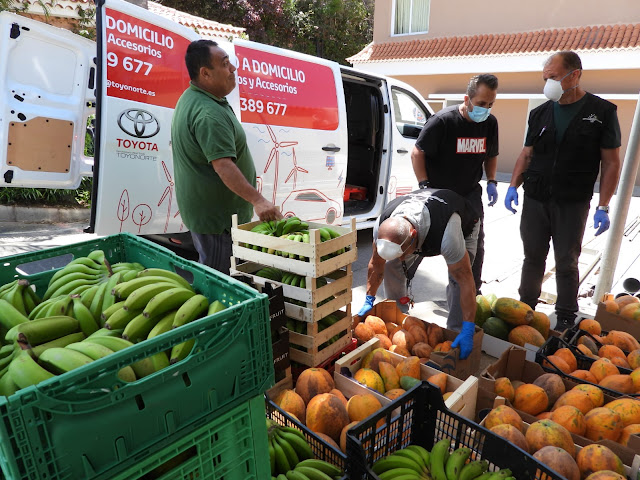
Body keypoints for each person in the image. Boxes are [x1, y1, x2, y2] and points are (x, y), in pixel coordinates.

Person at [504, 51, 621, 331]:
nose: (548, 83)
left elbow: (611, 162)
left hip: (572, 202)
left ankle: (566, 317)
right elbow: (527, 153)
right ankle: (525, 311)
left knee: (567, 261)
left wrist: (603, 206)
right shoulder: (540, 113)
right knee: (532, 257)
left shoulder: (602, 112)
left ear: (575, 74)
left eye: (554, 77)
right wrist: (512, 186)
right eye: (546, 78)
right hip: (536, 198)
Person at [171, 39, 281, 274]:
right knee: (218, 281)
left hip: (207, 213)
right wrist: (258, 200)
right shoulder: (208, 113)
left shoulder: (197, 97)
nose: (233, 69)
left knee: (214, 273)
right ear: (206, 73)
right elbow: (223, 166)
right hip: (217, 220)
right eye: (225, 64)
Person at [356, 189, 480, 359]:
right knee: (393, 266)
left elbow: (465, 280)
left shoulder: (448, 237)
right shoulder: (382, 227)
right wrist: (369, 298)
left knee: (457, 280)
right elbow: (376, 265)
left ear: (414, 236)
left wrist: (468, 327)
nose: (401, 259)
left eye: (402, 254)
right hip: (420, 225)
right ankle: (399, 316)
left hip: (462, 226)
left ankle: (456, 333)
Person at [411, 74, 499, 295]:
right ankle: (402, 287)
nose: (486, 109)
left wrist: (492, 181)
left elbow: (491, 155)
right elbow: (417, 152)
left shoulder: (490, 123)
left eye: (490, 104)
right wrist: (425, 186)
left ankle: (470, 293)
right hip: (439, 194)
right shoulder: (443, 121)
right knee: (423, 242)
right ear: (467, 99)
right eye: (481, 104)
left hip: (469, 195)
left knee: (475, 245)